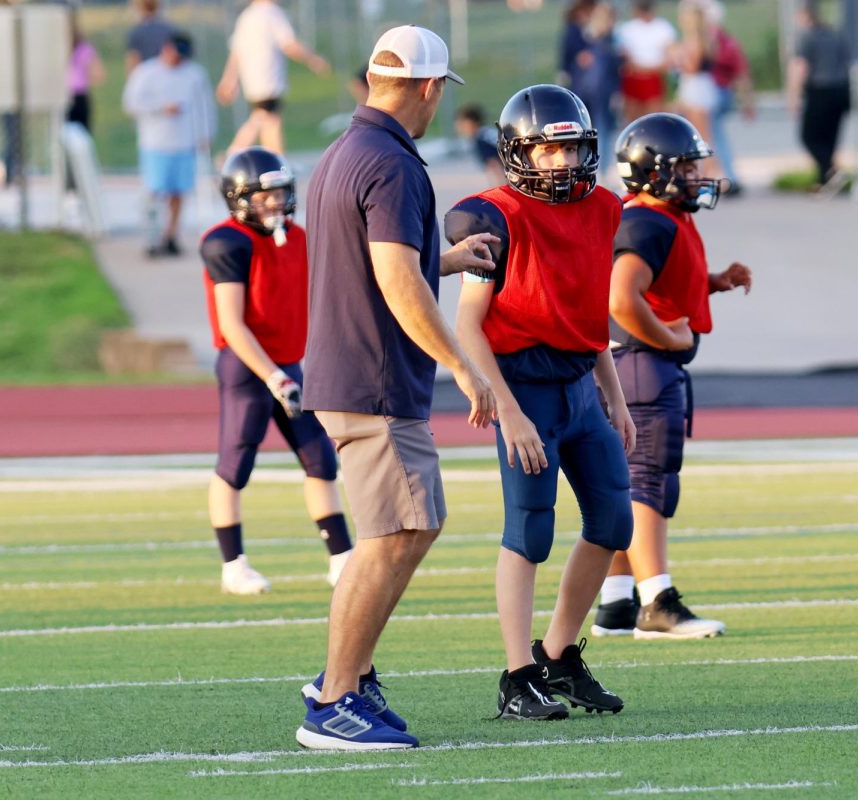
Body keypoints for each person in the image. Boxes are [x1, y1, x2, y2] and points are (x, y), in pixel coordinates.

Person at [297, 25, 498, 750]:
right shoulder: (394, 163)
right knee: (394, 534)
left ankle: (347, 680)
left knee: (405, 528)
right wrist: (462, 363)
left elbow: (383, 260)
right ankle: (334, 695)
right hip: (374, 377)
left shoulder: (344, 152)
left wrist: (444, 258)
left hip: (349, 371)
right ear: (429, 88)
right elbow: (391, 277)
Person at [448, 84, 635, 721]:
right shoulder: (492, 215)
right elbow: (469, 324)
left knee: (613, 522)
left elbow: (588, 312)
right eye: (550, 151)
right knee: (530, 530)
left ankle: (557, 655)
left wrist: (615, 397)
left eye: (574, 149)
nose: (564, 163)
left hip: (580, 385)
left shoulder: (604, 208)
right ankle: (515, 674)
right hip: (523, 386)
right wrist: (508, 409)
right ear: (518, 152)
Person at [592, 112, 751, 640]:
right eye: (683, 167)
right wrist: (667, 337)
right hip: (642, 363)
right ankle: (656, 600)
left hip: (635, 364)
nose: (695, 175)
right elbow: (622, 296)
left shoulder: (659, 218)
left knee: (630, 480)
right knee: (648, 481)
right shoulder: (647, 221)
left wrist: (713, 283)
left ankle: (615, 600)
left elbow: (663, 280)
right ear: (653, 171)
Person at [200, 147, 353, 595]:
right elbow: (231, 323)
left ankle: (342, 558)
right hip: (247, 368)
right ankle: (234, 566)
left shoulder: (298, 238)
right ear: (240, 197)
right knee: (235, 463)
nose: (276, 203)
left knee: (320, 460)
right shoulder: (227, 242)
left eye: (281, 193)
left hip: (288, 365)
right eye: (266, 196)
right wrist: (273, 377)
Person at [122, 32, 216, 257]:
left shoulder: (194, 74)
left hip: (184, 142)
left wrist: (205, 134)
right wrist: (160, 108)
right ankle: (151, 237)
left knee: (178, 193)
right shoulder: (146, 72)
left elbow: (204, 106)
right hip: (156, 142)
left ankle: (171, 235)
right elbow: (131, 103)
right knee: (153, 192)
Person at [216, 0, 331, 155]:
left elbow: (237, 52)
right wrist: (313, 59)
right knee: (264, 118)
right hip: (268, 77)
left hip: (252, 80)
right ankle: (234, 155)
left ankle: (273, 162)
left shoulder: (247, 16)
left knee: (269, 121)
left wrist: (229, 80)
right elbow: (289, 44)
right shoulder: (273, 13)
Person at [786, 1, 851, 192]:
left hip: (819, 91)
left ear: (804, 16)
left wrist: (793, 98)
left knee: (809, 137)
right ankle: (826, 179)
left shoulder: (807, 37)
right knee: (829, 138)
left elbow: (800, 68)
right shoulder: (836, 35)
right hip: (840, 90)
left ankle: (831, 171)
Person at [706, 0, 756, 196]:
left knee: (713, 137)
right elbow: (742, 74)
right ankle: (728, 175)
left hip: (713, 92)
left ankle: (727, 176)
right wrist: (747, 101)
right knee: (716, 136)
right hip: (724, 91)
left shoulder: (710, 41)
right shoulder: (729, 42)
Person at [568, 1, 620, 180]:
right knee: (598, 130)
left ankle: (594, 168)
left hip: (590, 91)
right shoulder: (602, 41)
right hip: (598, 92)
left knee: (592, 130)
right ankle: (597, 169)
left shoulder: (591, 38)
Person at [671, 0, 717, 170]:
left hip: (696, 87)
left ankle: (711, 170)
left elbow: (692, 67)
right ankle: (708, 170)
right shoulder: (705, 38)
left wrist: (677, 58)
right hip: (698, 86)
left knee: (702, 135)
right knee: (700, 134)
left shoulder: (696, 40)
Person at [617, 0, 676, 122]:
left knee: (654, 120)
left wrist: (644, 69)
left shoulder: (663, 28)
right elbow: (625, 59)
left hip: (654, 79)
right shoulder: (627, 29)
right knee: (633, 120)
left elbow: (669, 59)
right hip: (634, 80)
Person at [67, 13, 105, 133]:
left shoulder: (58, 46)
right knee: (83, 137)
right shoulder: (84, 47)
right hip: (80, 96)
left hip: (66, 95)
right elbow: (99, 74)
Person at [453, 104, 504, 188]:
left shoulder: (480, 140)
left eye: (461, 123)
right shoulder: (485, 133)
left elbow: (495, 166)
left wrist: (499, 190)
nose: (459, 127)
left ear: (470, 122)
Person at [125, 0, 174, 74]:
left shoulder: (136, 32)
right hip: (165, 75)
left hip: (144, 77)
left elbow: (133, 62)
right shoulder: (169, 29)